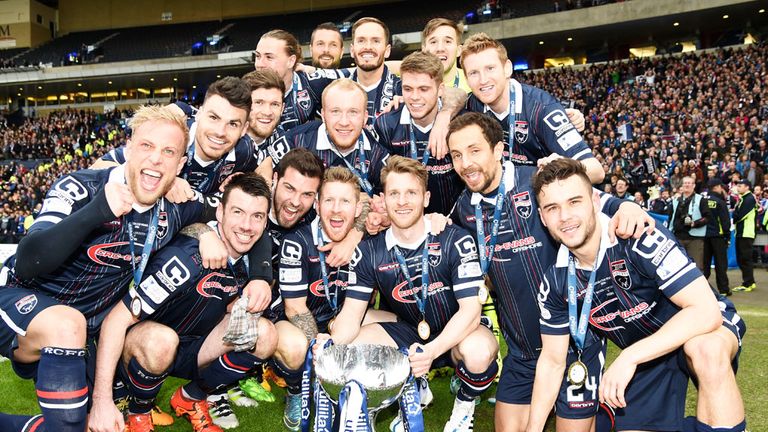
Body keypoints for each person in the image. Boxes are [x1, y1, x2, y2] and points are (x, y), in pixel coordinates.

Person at [0, 105, 209, 432]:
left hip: (82, 335)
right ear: (127, 149)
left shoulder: (177, 208)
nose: (156, 159)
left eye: (169, 152)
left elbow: (226, 210)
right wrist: (96, 212)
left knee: (87, 425)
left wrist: (207, 232)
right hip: (20, 301)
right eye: (146, 146)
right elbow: (28, 261)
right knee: (67, 325)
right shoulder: (82, 188)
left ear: (180, 164)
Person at [446, 112, 653, 432]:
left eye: (475, 150)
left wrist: (624, 206)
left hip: (575, 347)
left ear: (498, 149)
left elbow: (590, 201)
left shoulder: (538, 180)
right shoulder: (463, 209)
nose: (466, 163)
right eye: (457, 155)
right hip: (522, 353)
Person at [530, 157, 746, 432]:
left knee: (705, 350)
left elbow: (705, 311)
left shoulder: (638, 238)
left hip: (696, 328)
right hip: (649, 354)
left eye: (575, 202)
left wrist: (630, 357)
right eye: (552, 208)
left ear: (595, 203)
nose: (565, 216)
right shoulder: (556, 281)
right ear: (542, 218)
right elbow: (551, 361)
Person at [318, 155, 499, 432]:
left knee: (479, 352)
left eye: (411, 193)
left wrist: (431, 352)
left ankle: (464, 404)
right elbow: (351, 315)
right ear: (383, 199)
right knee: (354, 350)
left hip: (458, 333)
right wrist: (329, 343)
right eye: (394, 193)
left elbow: (471, 311)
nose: (402, 202)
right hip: (408, 330)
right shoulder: (369, 251)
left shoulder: (455, 238)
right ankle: (414, 388)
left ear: (426, 198)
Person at [90, 173, 277, 432]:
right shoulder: (185, 259)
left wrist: (241, 301)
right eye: (238, 212)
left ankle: (190, 398)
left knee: (264, 333)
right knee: (162, 341)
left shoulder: (249, 257)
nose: (247, 225)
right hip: (145, 348)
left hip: (192, 348)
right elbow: (117, 320)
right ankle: (139, 412)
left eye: (257, 216)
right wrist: (101, 400)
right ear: (219, 212)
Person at [276, 166, 366, 430]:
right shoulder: (296, 242)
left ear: (358, 209)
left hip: (342, 318)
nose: (336, 209)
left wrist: (356, 236)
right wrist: (321, 351)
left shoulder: (365, 239)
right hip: (299, 321)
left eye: (345, 201)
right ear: (317, 205)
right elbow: (294, 309)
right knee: (294, 346)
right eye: (329, 200)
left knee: (392, 323)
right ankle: (296, 390)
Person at [460, 33, 603, 183]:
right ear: (466, 79)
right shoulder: (470, 106)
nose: (483, 80)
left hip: (543, 193)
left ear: (507, 68)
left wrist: (558, 169)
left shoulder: (542, 108)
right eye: (474, 73)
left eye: (490, 68)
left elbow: (596, 171)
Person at [266, 78, 388, 201]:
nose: (344, 122)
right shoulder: (296, 140)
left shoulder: (378, 152)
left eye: (353, 112)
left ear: (365, 117)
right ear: (323, 116)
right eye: (335, 112)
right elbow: (263, 171)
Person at [374, 51, 463, 215]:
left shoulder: (459, 123)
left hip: (456, 221)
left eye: (423, 89)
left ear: (440, 89)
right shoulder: (386, 124)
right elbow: (382, 184)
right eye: (408, 89)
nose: (414, 97)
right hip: (406, 222)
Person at [667, 175, 710, 272]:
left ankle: (698, 286)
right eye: (685, 183)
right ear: (681, 186)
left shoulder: (701, 199)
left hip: (694, 238)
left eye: (689, 183)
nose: (687, 185)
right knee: (677, 266)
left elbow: (708, 217)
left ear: (694, 185)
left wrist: (694, 223)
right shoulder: (675, 201)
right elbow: (670, 218)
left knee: (697, 266)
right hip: (677, 237)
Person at [421, 18, 471, 93]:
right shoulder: (408, 84)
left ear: (458, 50)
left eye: (447, 41)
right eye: (433, 42)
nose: (440, 48)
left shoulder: (473, 82)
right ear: (424, 50)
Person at [703, 178, 731, 296]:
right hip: (718, 237)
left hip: (703, 236)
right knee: (720, 263)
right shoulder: (720, 202)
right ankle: (723, 289)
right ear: (717, 187)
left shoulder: (702, 201)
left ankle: (701, 288)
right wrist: (727, 236)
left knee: (704, 264)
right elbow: (725, 221)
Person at [733, 179, 757, 292]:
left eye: (740, 185)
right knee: (743, 258)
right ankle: (749, 282)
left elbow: (739, 215)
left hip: (746, 233)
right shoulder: (744, 198)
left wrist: (735, 213)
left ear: (747, 187)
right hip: (742, 233)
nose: (738, 188)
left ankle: (748, 283)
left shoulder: (749, 199)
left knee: (745, 258)